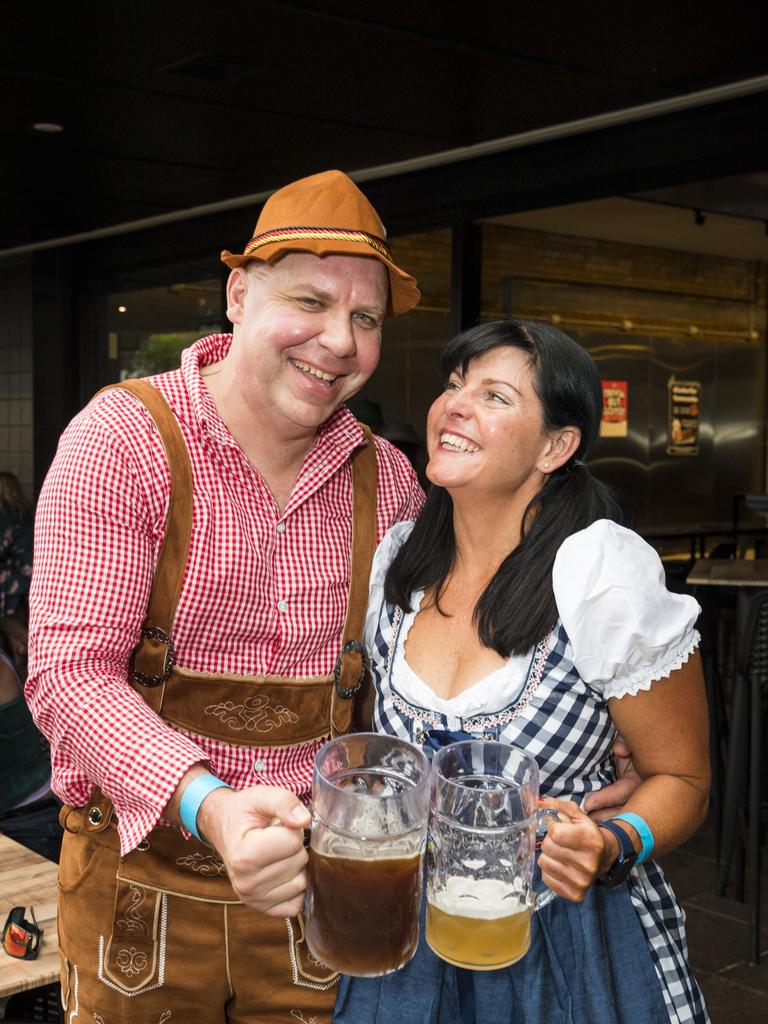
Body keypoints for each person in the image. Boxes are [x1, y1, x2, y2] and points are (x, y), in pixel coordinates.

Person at [26, 169, 424, 1024]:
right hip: (138, 883)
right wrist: (215, 809)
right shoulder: (124, 438)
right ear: (238, 294)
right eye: (311, 301)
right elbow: (67, 674)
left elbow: (412, 686)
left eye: (366, 318)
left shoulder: (388, 481)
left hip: (319, 894)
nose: (340, 341)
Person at [333, 319, 710, 1024]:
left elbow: (684, 780)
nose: (457, 406)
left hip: (566, 945)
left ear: (556, 446)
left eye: (496, 396)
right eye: (454, 386)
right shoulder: (402, 562)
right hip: (410, 939)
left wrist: (613, 842)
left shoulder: (599, 573)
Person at [0, 471, 34, 675]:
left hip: (15, 576)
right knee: (15, 616)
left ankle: (31, 648)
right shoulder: (24, 512)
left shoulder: (5, 514)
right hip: (30, 572)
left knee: (5, 618)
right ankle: (21, 652)